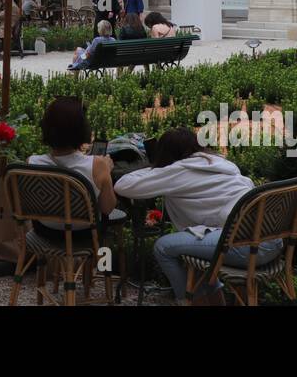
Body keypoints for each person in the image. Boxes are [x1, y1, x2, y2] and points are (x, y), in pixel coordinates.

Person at [113, 129, 279, 305]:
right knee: (196, 253)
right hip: (272, 240)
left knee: (163, 247)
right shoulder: (220, 163)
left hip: (246, 245)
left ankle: (186, 301)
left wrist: (154, 167)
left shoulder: (178, 171)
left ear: (166, 154)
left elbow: (123, 185)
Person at [27, 97, 118, 231]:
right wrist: (107, 171)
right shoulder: (97, 165)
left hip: (45, 233)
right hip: (82, 238)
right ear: (82, 129)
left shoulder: (32, 162)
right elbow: (107, 208)